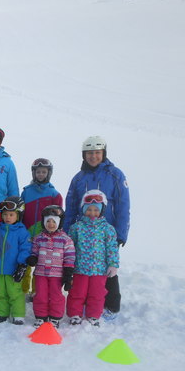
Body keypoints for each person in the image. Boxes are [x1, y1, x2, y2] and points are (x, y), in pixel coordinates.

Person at [64, 136, 130, 320]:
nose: (93, 156)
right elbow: (70, 206)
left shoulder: (115, 175)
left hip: (106, 232)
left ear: (103, 154)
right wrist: (67, 234)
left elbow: (124, 206)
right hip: (82, 232)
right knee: (81, 270)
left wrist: (121, 234)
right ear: (84, 155)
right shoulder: (78, 178)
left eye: (97, 153)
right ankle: (82, 304)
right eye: (89, 153)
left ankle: (110, 305)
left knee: (107, 270)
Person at [66, 190, 119, 326]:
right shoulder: (76, 227)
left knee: (97, 294)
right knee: (77, 293)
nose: (92, 213)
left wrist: (113, 264)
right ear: (83, 209)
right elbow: (70, 248)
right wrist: (68, 264)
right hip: (80, 269)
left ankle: (94, 315)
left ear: (102, 211)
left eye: (96, 210)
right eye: (89, 209)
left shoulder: (108, 229)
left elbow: (112, 248)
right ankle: (75, 314)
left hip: (99, 270)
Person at [0, 196, 31, 325]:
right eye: (5, 214)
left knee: (15, 293)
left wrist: (22, 265)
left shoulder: (22, 232)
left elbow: (25, 249)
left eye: (11, 214)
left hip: (14, 270)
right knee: (0, 293)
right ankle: (2, 313)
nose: (7, 217)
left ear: (18, 215)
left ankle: (18, 314)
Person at [26, 206, 75, 328]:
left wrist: (68, 274)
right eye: (48, 221)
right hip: (41, 273)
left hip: (57, 275)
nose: (51, 224)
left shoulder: (66, 240)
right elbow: (34, 252)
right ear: (43, 222)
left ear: (59, 223)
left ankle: (55, 317)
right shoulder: (39, 238)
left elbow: (69, 257)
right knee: (40, 295)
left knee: (56, 296)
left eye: (54, 221)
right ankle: (41, 316)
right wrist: (33, 257)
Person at [20, 158, 63, 297]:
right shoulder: (26, 192)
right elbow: (20, 212)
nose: (40, 174)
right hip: (26, 232)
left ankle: (36, 291)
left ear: (49, 173)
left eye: (44, 172)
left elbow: (58, 217)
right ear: (34, 173)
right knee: (25, 260)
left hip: (44, 234)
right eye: (38, 172)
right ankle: (23, 289)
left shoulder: (54, 194)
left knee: (40, 263)